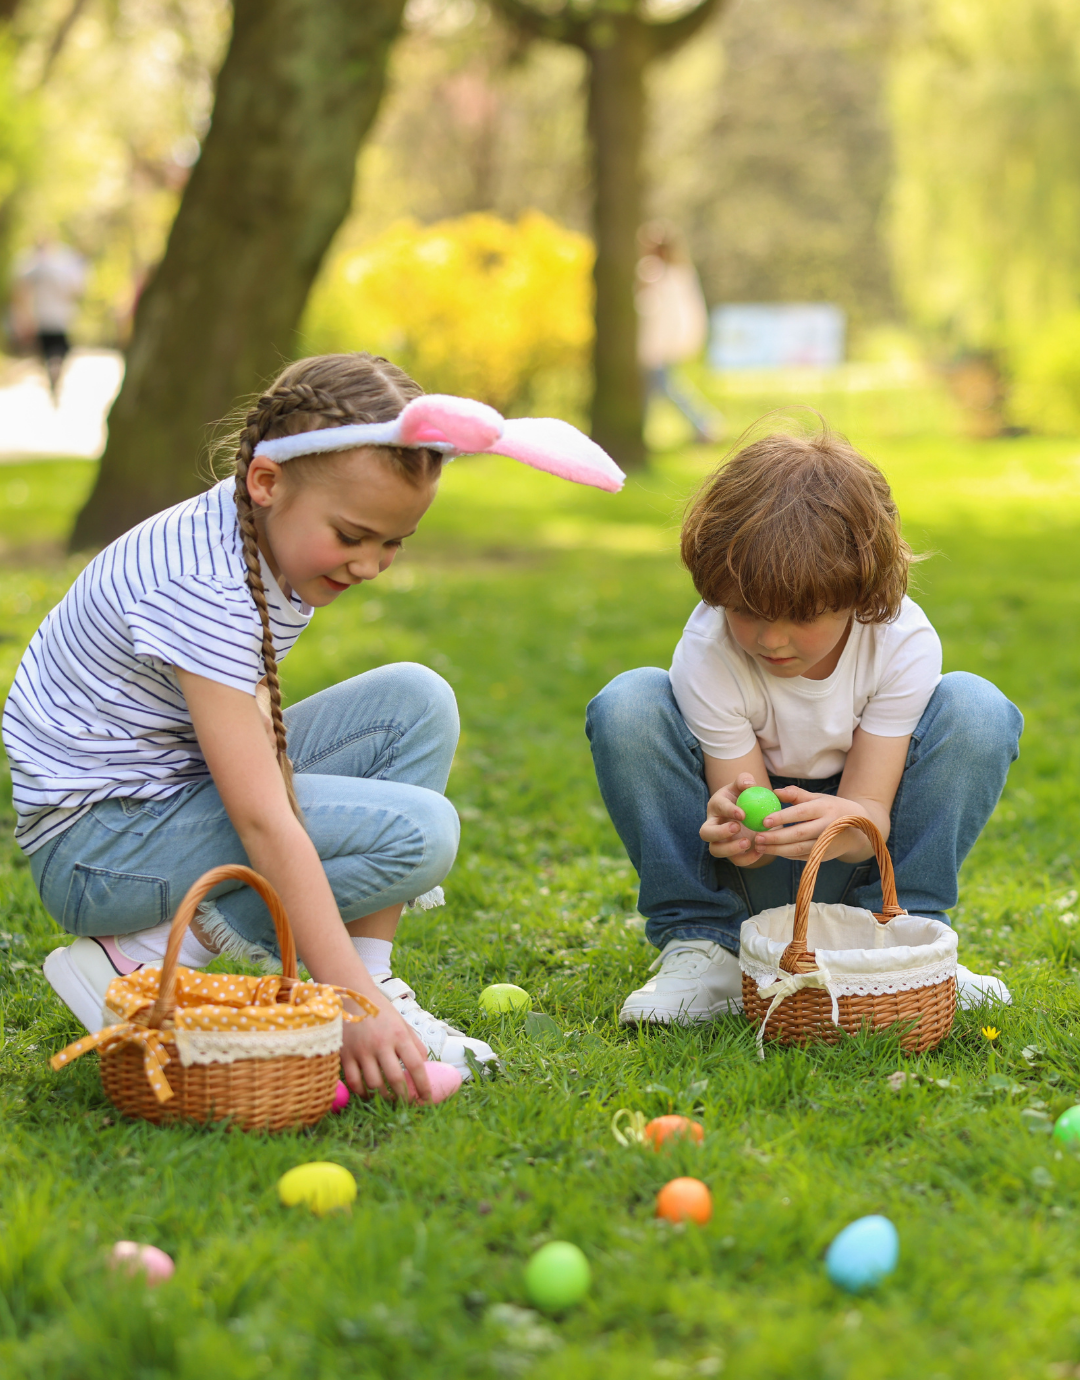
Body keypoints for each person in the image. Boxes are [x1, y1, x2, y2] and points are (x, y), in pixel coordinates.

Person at [1, 352, 623, 1101]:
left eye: (393, 542)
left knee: (415, 701)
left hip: (160, 801)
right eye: (353, 535)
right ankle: (143, 956)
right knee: (418, 833)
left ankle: (368, 977)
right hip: (102, 851)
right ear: (267, 481)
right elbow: (263, 817)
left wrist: (354, 980)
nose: (371, 565)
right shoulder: (203, 586)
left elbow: (258, 728)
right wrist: (345, 1000)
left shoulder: (252, 530)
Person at [586, 422, 1021, 1024]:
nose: (771, 639)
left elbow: (868, 815)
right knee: (629, 702)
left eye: (802, 615)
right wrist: (741, 834)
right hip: (751, 885)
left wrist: (841, 822)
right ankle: (706, 945)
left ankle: (901, 940)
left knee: (977, 708)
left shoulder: (901, 641)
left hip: (860, 860)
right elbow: (754, 832)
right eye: (746, 611)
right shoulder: (709, 648)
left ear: (859, 594)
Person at [636, 221, 719, 445]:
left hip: (658, 345)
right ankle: (703, 425)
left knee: (663, 387)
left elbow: (666, 314)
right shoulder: (661, 272)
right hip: (656, 344)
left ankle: (704, 424)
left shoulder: (669, 275)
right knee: (657, 388)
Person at [12, 238, 87, 399]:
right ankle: (55, 372)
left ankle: (52, 372)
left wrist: (23, 315)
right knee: (59, 352)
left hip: (42, 318)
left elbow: (22, 289)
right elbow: (75, 290)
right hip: (61, 319)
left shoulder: (33, 267)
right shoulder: (63, 264)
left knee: (47, 353)